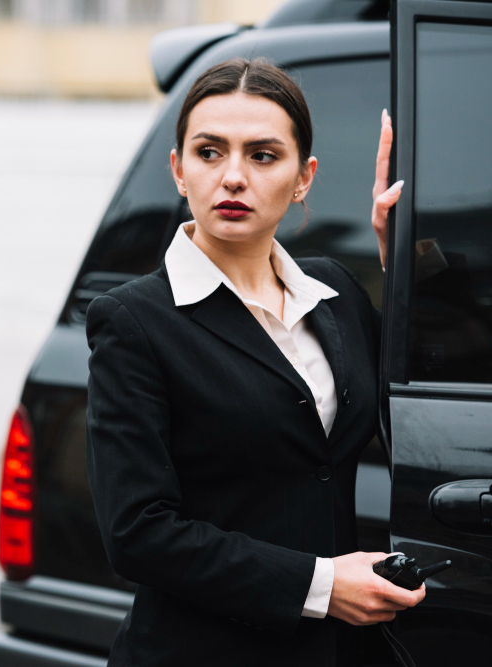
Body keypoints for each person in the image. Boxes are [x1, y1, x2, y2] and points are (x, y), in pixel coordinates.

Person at [84, 57, 425, 666]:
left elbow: (433, 378)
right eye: (210, 152)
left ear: (303, 177)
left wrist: (406, 250)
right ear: (178, 170)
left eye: (263, 156)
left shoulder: (336, 291)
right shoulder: (133, 320)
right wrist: (320, 587)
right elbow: (138, 533)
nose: (233, 177)